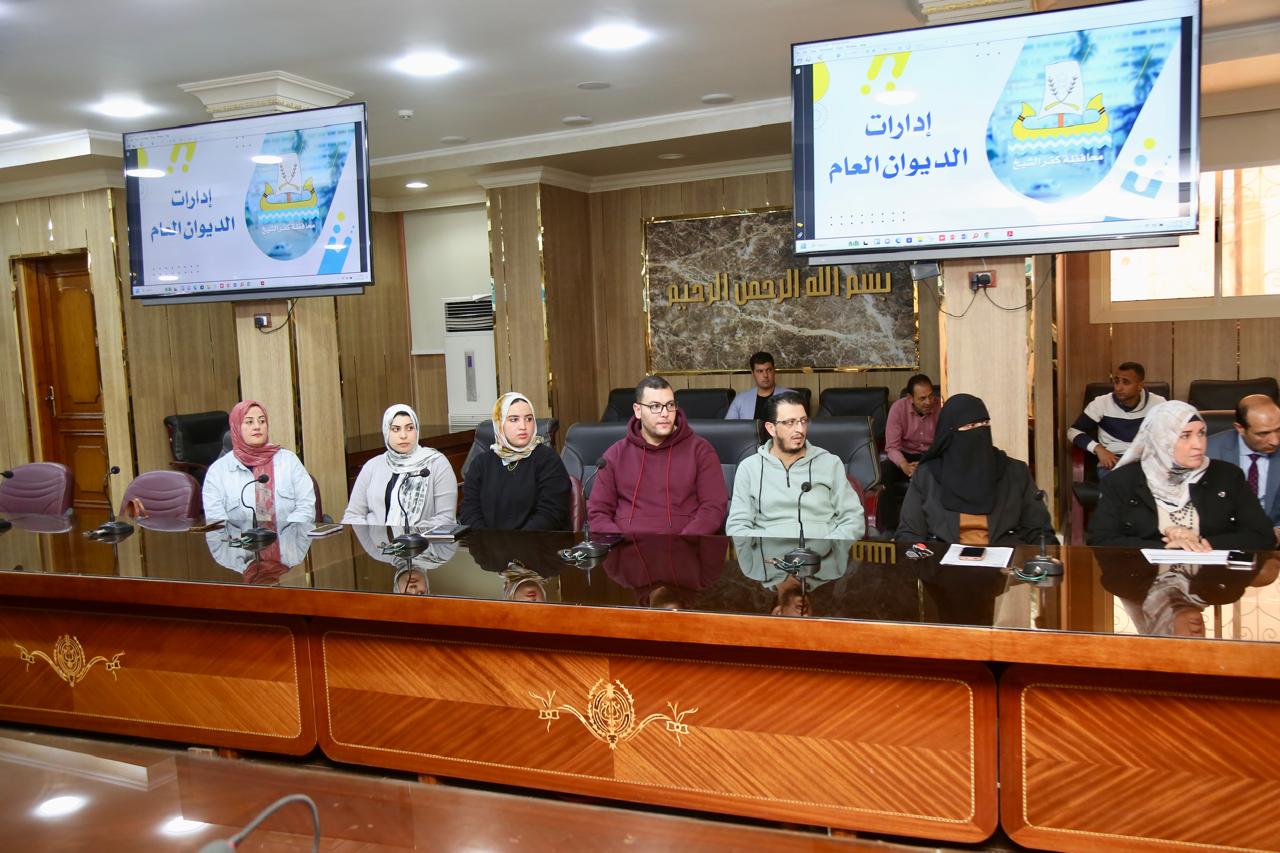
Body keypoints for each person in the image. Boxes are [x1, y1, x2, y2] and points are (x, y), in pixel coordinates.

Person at [1088, 400, 1275, 551]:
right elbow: (1100, 540)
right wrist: (1167, 547)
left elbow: (1262, 536)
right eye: (1185, 436)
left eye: (1201, 433)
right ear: (1161, 439)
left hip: (1213, 580)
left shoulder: (1228, 475)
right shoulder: (1121, 481)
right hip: (1142, 578)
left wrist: (1201, 543)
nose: (1198, 445)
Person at [895, 394, 1054, 547]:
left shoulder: (1015, 472)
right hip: (943, 562)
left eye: (984, 424)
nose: (980, 431)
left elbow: (1040, 533)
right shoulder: (927, 476)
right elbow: (909, 535)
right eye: (971, 426)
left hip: (1006, 561)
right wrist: (929, 562)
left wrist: (1035, 562)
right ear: (949, 433)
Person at [588, 375, 727, 535]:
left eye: (670, 405)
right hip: (627, 546)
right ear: (638, 410)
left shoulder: (701, 450)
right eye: (655, 406)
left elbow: (713, 508)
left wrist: (685, 542)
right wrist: (618, 543)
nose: (665, 413)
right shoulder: (614, 455)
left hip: (684, 545)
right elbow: (598, 513)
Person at [726, 391, 865, 540]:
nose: (800, 429)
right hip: (768, 552)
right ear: (771, 428)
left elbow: (853, 519)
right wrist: (765, 549)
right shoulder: (749, 468)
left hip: (822, 551)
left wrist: (830, 546)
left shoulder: (830, 463)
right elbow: (737, 527)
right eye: (790, 422)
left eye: (803, 421)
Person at [459, 392, 571, 530]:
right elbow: (469, 511)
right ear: (499, 423)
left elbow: (551, 514)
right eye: (514, 419)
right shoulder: (481, 463)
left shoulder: (548, 460)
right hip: (487, 541)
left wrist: (516, 540)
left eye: (529, 419)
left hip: (537, 540)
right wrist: (487, 539)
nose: (523, 426)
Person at [202, 400, 317, 525]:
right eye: (249, 422)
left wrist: (286, 533)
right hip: (238, 538)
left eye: (262, 421)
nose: (257, 426)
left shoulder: (289, 461)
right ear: (236, 427)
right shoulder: (218, 471)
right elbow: (216, 521)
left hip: (288, 536)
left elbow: (306, 507)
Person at [343, 403, 456, 527]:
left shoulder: (436, 463)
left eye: (409, 428)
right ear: (386, 431)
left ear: (417, 430)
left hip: (421, 538)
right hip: (376, 538)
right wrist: (372, 535)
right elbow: (352, 516)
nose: (403, 436)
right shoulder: (372, 466)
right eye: (396, 429)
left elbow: (446, 519)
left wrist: (410, 535)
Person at [1067, 362, 1166, 476]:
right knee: (1120, 483)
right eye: (1116, 381)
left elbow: (1172, 434)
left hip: (1147, 460)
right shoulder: (1101, 403)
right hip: (1114, 460)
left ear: (1140, 385)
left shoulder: (1158, 403)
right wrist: (1098, 449)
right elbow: (1073, 431)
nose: (1118, 388)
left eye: (1126, 382)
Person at [1206, 394, 1280, 539]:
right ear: (1239, 428)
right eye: (1263, 433)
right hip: (1223, 540)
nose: (1275, 441)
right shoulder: (1209, 452)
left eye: (1278, 430)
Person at [882, 374, 942, 530]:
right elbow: (892, 447)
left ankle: (937, 526)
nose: (929, 402)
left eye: (931, 396)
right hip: (906, 455)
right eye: (922, 398)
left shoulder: (941, 407)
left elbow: (945, 442)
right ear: (910, 398)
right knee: (885, 470)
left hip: (931, 456)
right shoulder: (898, 409)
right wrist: (904, 466)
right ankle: (891, 527)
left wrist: (925, 465)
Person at [725, 351, 793, 420]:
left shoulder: (792, 397)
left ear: (774, 370)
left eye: (769, 370)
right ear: (753, 373)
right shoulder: (740, 399)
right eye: (760, 371)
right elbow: (728, 426)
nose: (765, 375)